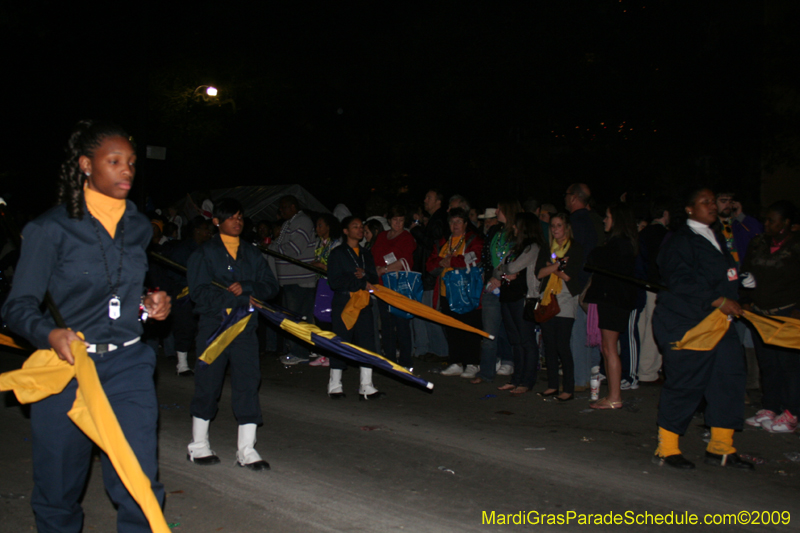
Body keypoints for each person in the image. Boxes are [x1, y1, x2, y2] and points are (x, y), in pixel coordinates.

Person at [2, 120, 172, 532]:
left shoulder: (137, 227)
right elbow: (17, 306)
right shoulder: (49, 229)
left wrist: (149, 304)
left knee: (138, 482)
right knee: (58, 489)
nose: (127, 170)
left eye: (130, 162)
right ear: (85, 165)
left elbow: (120, 291)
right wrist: (49, 333)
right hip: (68, 370)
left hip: (128, 364)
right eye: (114, 161)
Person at [652, 188, 753, 470]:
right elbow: (680, 279)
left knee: (728, 379)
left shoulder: (717, 235)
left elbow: (723, 275)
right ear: (688, 209)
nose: (711, 205)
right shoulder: (680, 240)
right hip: (687, 322)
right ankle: (667, 447)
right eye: (704, 202)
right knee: (686, 382)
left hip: (720, 323)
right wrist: (719, 299)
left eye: (713, 201)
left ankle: (721, 446)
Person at [186, 198, 280, 471]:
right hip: (214, 328)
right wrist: (229, 296)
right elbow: (198, 294)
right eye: (231, 217)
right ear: (216, 221)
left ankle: (247, 449)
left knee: (248, 383)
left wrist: (248, 287)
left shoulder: (252, 253)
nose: (237, 222)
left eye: (240, 217)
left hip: (245, 329)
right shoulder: (203, 254)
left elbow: (270, 286)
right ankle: (198, 445)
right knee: (208, 383)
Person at [742, 201, 800, 433]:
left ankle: (791, 412)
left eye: (772, 220)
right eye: (765, 219)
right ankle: (770, 406)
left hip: (787, 313)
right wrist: (745, 292)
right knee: (768, 363)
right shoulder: (759, 242)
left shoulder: (796, 246)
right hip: (760, 313)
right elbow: (746, 268)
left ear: (786, 223)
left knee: (789, 365)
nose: (766, 224)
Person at [584, 203, 639, 409]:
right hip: (613, 299)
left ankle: (615, 397)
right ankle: (612, 395)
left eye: (607, 216)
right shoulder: (620, 243)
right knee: (607, 348)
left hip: (614, 300)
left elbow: (595, 258)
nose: (605, 220)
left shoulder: (619, 244)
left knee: (609, 348)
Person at [326, 216, 385, 399]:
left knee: (367, 342)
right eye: (355, 226)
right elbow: (334, 281)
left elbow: (374, 278)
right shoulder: (337, 253)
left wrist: (365, 274)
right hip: (344, 303)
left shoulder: (366, 253)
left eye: (361, 227)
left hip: (364, 303)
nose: (360, 230)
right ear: (346, 231)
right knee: (341, 341)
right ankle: (335, 384)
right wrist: (359, 281)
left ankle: (366, 385)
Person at [427, 208, 484, 378]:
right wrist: (444, 261)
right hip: (446, 293)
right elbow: (430, 264)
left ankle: (473, 363)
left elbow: (475, 258)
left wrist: (450, 261)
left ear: (466, 224)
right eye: (452, 222)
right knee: (451, 330)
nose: (455, 225)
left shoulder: (473, 240)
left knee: (469, 328)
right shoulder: (443, 242)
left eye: (459, 221)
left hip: (467, 293)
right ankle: (456, 362)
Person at [493, 212, 545, 396]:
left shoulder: (532, 247)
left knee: (526, 341)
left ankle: (527, 381)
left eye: (516, 225)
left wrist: (505, 271)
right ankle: (516, 379)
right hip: (508, 296)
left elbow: (513, 268)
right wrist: (506, 273)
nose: (513, 228)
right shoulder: (514, 248)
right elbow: (497, 271)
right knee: (515, 341)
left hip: (523, 297)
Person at [535, 212, 584, 401]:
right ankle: (552, 385)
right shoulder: (547, 248)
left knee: (562, 344)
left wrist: (552, 266)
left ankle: (568, 388)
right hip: (548, 297)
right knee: (549, 344)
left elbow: (569, 276)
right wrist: (558, 265)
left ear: (567, 227)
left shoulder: (575, 248)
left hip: (565, 297)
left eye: (559, 225)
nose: (555, 229)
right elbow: (539, 272)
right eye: (553, 226)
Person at [474, 200, 520, 383]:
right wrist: (490, 279)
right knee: (489, 332)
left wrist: (502, 278)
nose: (497, 212)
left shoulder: (517, 233)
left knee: (512, 331)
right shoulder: (494, 231)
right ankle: (486, 371)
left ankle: (515, 367)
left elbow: (518, 260)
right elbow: (486, 257)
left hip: (510, 286)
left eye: (500, 209)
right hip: (492, 287)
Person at [269, 195, 317, 364]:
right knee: (293, 317)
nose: (280, 211)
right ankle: (298, 351)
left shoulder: (302, 221)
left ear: (292, 207)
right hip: (292, 279)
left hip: (300, 279)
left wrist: (273, 248)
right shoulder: (291, 222)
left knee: (299, 317)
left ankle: (300, 353)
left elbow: (295, 248)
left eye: (283, 208)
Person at [371, 206, 417, 369]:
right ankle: (389, 359)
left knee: (402, 324)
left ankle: (405, 361)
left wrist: (382, 269)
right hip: (382, 287)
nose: (398, 223)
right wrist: (376, 269)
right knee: (387, 324)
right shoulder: (383, 236)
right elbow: (374, 254)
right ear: (389, 220)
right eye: (395, 219)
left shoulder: (406, 237)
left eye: (401, 220)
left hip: (399, 286)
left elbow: (405, 261)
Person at [565, 183, 600, 390]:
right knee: (586, 331)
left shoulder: (576, 222)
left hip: (577, 283)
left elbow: (572, 255)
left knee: (577, 332)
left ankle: (579, 379)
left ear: (573, 198)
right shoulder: (591, 221)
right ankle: (586, 375)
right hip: (588, 281)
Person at [637, 199, 671, 384]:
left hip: (641, 283)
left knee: (641, 326)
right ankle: (648, 371)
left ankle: (639, 366)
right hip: (656, 286)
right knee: (653, 328)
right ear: (665, 214)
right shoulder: (665, 235)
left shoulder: (643, 234)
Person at [308, 213, 342, 368]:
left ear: (329, 227)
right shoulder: (318, 244)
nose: (317, 228)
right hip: (319, 282)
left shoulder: (336, 244)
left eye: (320, 225)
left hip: (330, 285)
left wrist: (322, 266)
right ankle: (323, 353)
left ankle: (332, 354)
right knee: (319, 317)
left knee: (328, 319)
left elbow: (337, 268)